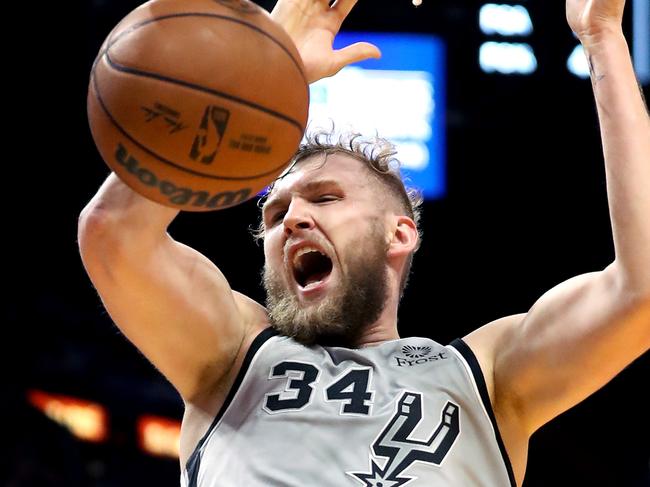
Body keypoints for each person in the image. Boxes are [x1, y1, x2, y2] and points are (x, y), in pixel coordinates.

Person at [78, 0, 650, 485]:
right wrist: (264, 67)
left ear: (399, 233)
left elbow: (642, 290)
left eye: (325, 199)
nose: (293, 219)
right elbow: (114, 235)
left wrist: (602, 38)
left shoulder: (487, 376)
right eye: (274, 214)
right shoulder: (231, 355)